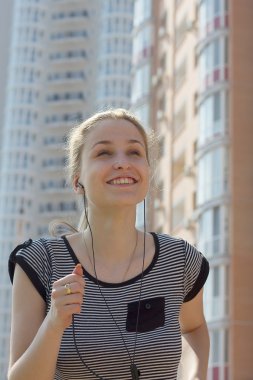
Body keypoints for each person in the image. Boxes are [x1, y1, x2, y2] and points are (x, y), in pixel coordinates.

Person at [8, 108, 210, 380]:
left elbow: (193, 328)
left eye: (135, 152)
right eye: (104, 153)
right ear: (77, 181)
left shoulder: (180, 259)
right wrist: (54, 323)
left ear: (148, 173)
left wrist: (195, 375)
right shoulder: (40, 262)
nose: (122, 163)